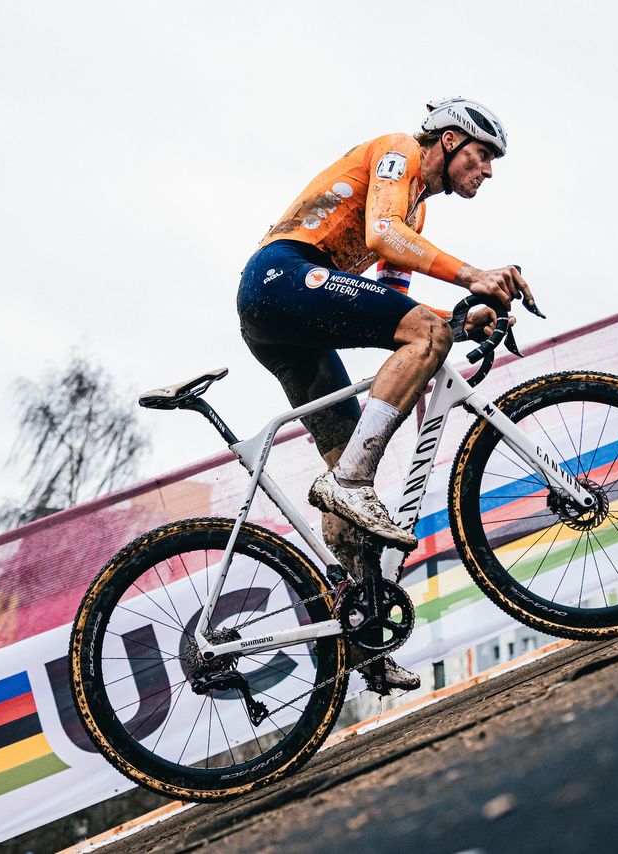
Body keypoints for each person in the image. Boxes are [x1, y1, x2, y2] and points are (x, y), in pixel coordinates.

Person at [236, 97, 533, 691]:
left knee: (353, 496)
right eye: (481, 155)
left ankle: (363, 637)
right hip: (283, 274)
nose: (489, 170)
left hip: (288, 322)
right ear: (448, 141)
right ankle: (346, 484)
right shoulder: (397, 151)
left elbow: (390, 310)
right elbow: (382, 235)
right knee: (419, 347)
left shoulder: (414, 218)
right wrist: (472, 277)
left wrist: (457, 317)